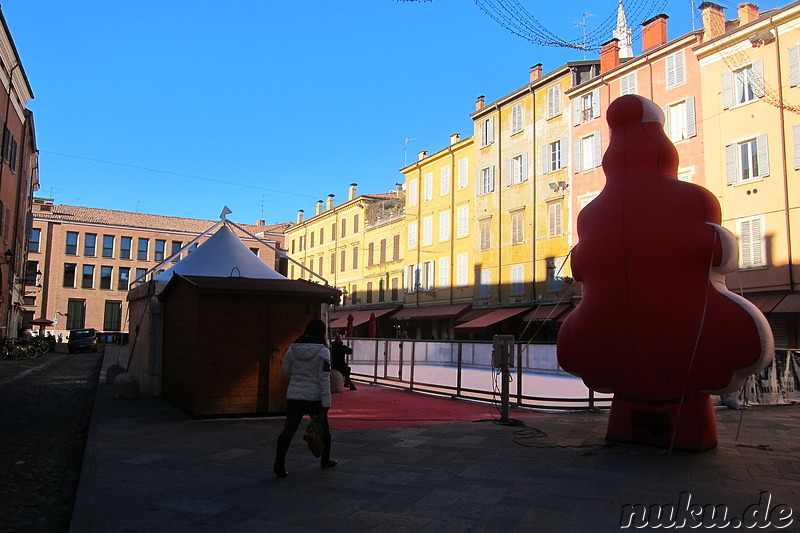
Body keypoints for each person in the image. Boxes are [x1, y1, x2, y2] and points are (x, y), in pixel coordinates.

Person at [273, 318, 337, 478]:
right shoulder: (323, 351)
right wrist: (326, 403)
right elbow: (324, 379)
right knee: (324, 431)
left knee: (288, 430)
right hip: (314, 397)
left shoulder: (293, 348)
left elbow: (285, 370)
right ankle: (325, 460)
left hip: (294, 396)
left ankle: (279, 464)